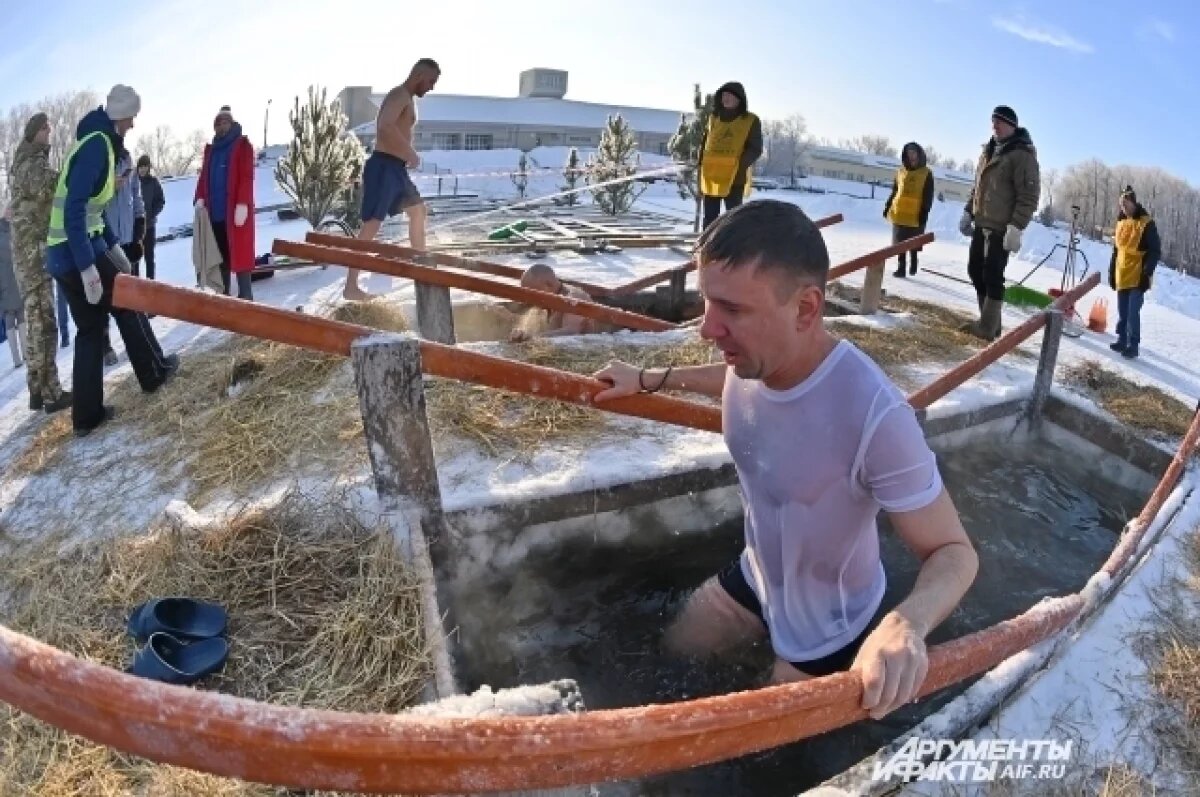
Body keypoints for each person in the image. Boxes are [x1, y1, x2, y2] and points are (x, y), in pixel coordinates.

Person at [592, 200, 978, 717]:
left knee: (747, 748)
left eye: (732, 309)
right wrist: (648, 378)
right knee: (669, 653)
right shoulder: (757, 360)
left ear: (805, 309)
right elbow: (733, 380)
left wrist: (906, 623)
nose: (707, 329)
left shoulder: (875, 417)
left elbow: (955, 552)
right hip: (757, 577)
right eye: (708, 302)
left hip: (829, 625)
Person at [45, 84, 179, 436]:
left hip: (64, 254)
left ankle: (87, 417)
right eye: (132, 116)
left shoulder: (96, 144)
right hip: (74, 254)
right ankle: (154, 373)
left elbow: (93, 211)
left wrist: (113, 248)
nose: (133, 123)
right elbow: (74, 209)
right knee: (128, 302)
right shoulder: (97, 148)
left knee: (89, 329)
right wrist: (89, 265)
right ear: (121, 115)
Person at [353, 58, 441, 301]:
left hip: (396, 169)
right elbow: (384, 126)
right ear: (420, 75)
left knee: (417, 211)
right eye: (431, 81)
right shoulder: (399, 94)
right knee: (371, 225)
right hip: (383, 166)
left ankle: (421, 270)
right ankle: (351, 285)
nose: (432, 87)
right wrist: (409, 151)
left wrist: (405, 155)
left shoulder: (407, 98)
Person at [958, 105, 1040, 340]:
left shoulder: (1022, 155)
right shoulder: (989, 151)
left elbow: (1029, 196)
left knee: (993, 275)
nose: (995, 126)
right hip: (981, 221)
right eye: (993, 121)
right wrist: (968, 211)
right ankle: (990, 324)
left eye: (1000, 122)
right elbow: (978, 186)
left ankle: (986, 328)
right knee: (975, 271)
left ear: (1012, 126)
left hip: (1001, 227)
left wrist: (1016, 227)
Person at [7, 111, 71, 413]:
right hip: (34, 258)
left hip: (28, 258)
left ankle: (36, 390)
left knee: (35, 326)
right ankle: (51, 394)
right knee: (45, 325)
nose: (50, 132)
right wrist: (76, 169)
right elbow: (55, 185)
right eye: (46, 128)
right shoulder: (32, 165)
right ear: (34, 133)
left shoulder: (23, 163)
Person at [194, 105, 256, 300]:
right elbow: (204, 177)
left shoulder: (242, 145)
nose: (221, 126)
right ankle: (224, 298)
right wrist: (200, 197)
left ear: (231, 123)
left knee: (240, 254)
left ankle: (246, 298)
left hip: (235, 213)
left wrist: (243, 203)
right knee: (220, 257)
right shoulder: (211, 151)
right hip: (215, 215)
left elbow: (246, 176)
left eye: (224, 122)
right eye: (217, 124)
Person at [698, 82, 762, 231]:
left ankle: (733, 249)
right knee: (709, 219)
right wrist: (700, 164)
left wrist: (740, 166)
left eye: (729, 95)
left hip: (734, 177)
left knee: (733, 218)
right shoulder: (714, 118)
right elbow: (705, 143)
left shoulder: (750, 120)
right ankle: (707, 249)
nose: (725, 98)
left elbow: (755, 148)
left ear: (739, 99)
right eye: (723, 95)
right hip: (711, 176)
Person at [1108, 186, 1161, 360]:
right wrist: (1111, 271)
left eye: (1126, 203)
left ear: (1133, 202)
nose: (1124, 207)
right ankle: (1122, 340)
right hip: (1122, 272)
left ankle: (1133, 345)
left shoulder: (1146, 223)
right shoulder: (1121, 222)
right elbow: (1116, 250)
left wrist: (1147, 272)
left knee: (1132, 312)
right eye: (1121, 204)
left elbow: (1155, 250)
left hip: (1138, 275)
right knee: (1122, 311)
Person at [883, 142, 934, 278]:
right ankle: (901, 267)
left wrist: (925, 211)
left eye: (913, 152)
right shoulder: (900, 171)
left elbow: (928, 193)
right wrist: (888, 205)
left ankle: (914, 260)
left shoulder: (926, 173)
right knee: (900, 242)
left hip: (916, 214)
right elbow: (895, 190)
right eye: (908, 153)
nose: (911, 156)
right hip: (899, 212)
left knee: (913, 241)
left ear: (919, 154)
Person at [508, 264, 595, 342]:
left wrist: (533, 338)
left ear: (549, 285)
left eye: (533, 294)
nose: (530, 300)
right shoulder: (551, 301)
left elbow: (572, 332)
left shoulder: (573, 297)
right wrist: (522, 335)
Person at [0, 208, 26, 368]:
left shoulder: (16, 227)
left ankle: (24, 353)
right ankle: (16, 358)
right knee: (9, 318)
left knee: (22, 315)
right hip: (4, 279)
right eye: (8, 209)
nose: (10, 212)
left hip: (17, 276)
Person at [137, 154, 166, 280]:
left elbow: (161, 201)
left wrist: (151, 214)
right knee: (135, 258)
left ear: (149, 168)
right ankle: (135, 284)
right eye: (140, 166)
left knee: (149, 257)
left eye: (145, 166)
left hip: (149, 226)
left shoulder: (153, 182)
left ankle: (150, 284)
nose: (142, 169)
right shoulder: (133, 181)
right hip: (136, 228)